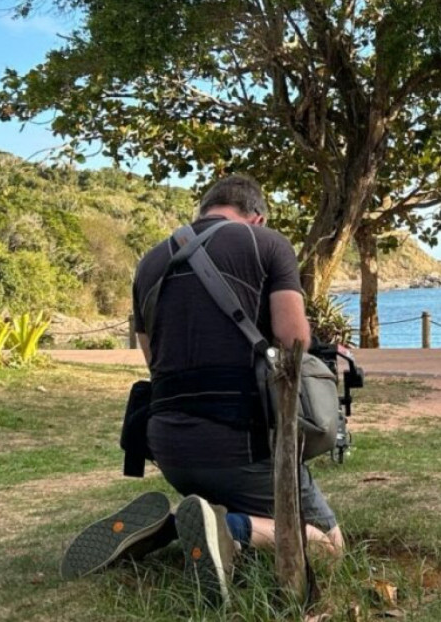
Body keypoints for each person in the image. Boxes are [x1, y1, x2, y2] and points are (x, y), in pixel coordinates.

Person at [60, 174, 343, 602]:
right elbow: (293, 343)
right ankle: (225, 529)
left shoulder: (151, 261)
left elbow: (154, 360)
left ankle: (179, 525)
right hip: (239, 443)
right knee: (329, 544)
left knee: (224, 491)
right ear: (257, 217)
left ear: (204, 211)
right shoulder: (267, 244)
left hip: (168, 445)